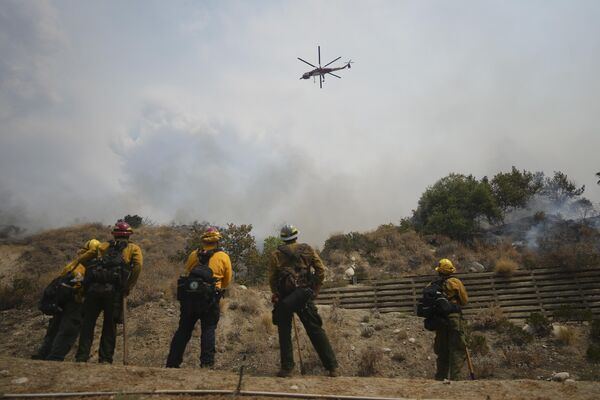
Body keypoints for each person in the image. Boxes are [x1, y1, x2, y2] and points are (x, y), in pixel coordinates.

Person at [269, 224, 338, 377]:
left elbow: (272, 278)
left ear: (283, 238)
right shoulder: (307, 249)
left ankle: (287, 368)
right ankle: (332, 367)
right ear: (296, 236)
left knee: (284, 332)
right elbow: (320, 270)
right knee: (315, 329)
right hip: (304, 296)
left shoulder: (275, 254)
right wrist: (315, 290)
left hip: (284, 299)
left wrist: (276, 293)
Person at [74, 220, 143, 363]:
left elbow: (82, 259)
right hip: (115, 292)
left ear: (114, 234)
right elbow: (138, 266)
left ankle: (81, 356)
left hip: (94, 289)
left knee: (88, 323)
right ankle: (105, 359)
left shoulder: (103, 246)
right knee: (110, 325)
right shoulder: (134, 248)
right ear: (129, 235)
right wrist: (128, 286)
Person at [166, 227, 233, 368]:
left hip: (190, 298)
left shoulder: (193, 255)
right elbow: (227, 280)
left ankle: (172, 363)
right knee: (208, 329)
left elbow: (188, 270)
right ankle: (207, 364)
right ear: (217, 241)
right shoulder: (223, 257)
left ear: (204, 240)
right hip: (210, 299)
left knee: (183, 329)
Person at [32, 239, 101, 361]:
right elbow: (81, 285)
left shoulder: (74, 263)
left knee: (55, 327)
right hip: (75, 301)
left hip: (61, 299)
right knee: (69, 329)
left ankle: (43, 354)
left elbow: (62, 276)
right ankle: (55, 357)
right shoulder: (89, 266)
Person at [430, 258, 468, 381]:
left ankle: (440, 377)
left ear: (439, 271)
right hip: (454, 319)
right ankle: (456, 380)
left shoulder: (432, 285)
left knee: (442, 350)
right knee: (457, 349)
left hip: (440, 320)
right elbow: (464, 301)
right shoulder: (455, 282)